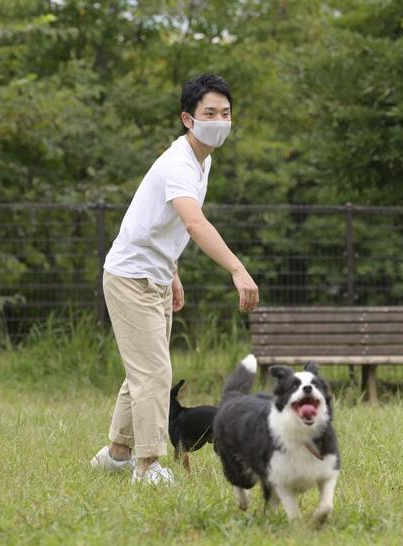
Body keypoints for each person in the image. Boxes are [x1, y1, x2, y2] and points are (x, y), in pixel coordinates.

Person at [90, 74, 259, 485]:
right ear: (188, 118)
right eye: (209, 113)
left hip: (157, 276)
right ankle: (148, 465)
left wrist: (173, 271)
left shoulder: (203, 160)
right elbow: (192, 221)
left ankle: (115, 456)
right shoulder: (178, 164)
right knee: (154, 373)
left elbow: (163, 224)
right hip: (130, 277)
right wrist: (237, 269)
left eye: (226, 113)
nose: (219, 121)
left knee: (144, 370)